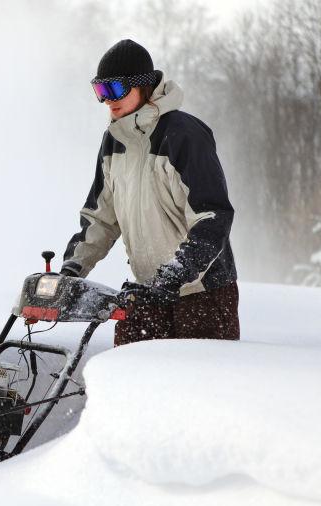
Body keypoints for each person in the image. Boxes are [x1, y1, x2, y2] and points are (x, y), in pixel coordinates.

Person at [60, 39, 240, 346]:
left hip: (202, 295)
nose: (107, 101)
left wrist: (177, 273)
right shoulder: (114, 141)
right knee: (131, 381)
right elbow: (101, 219)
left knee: (197, 389)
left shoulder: (183, 135)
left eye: (115, 90)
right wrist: (71, 272)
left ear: (143, 87)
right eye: (100, 92)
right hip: (149, 292)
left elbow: (213, 217)